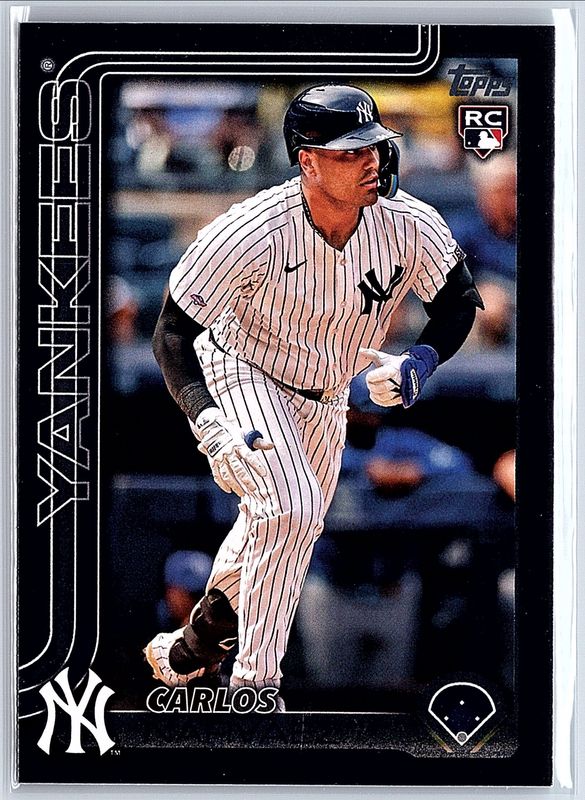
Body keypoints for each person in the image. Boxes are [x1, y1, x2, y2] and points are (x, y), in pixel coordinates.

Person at [143, 83, 484, 709]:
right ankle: (255, 685)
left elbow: (458, 302)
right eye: (350, 153)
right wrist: (207, 418)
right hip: (244, 370)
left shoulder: (407, 222)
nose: (371, 162)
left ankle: (194, 644)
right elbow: (171, 333)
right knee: (292, 508)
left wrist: (420, 359)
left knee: (282, 528)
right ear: (308, 161)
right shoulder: (252, 229)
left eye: (373, 148)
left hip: (327, 393)